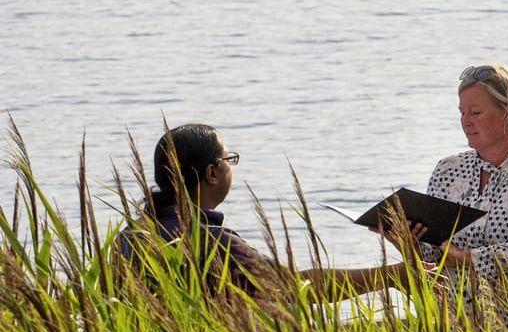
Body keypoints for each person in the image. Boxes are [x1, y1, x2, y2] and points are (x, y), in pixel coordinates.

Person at [123, 124, 421, 300]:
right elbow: (293, 287)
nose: (231, 167)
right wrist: (393, 276)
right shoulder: (210, 239)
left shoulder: (131, 235)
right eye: (229, 160)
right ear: (212, 173)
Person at [421, 64, 508, 302]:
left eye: (475, 112)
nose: (465, 121)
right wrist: (403, 240)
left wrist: (467, 258)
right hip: (456, 323)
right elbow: (431, 255)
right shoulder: (446, 170)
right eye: (462, 112)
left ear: (506, 113)